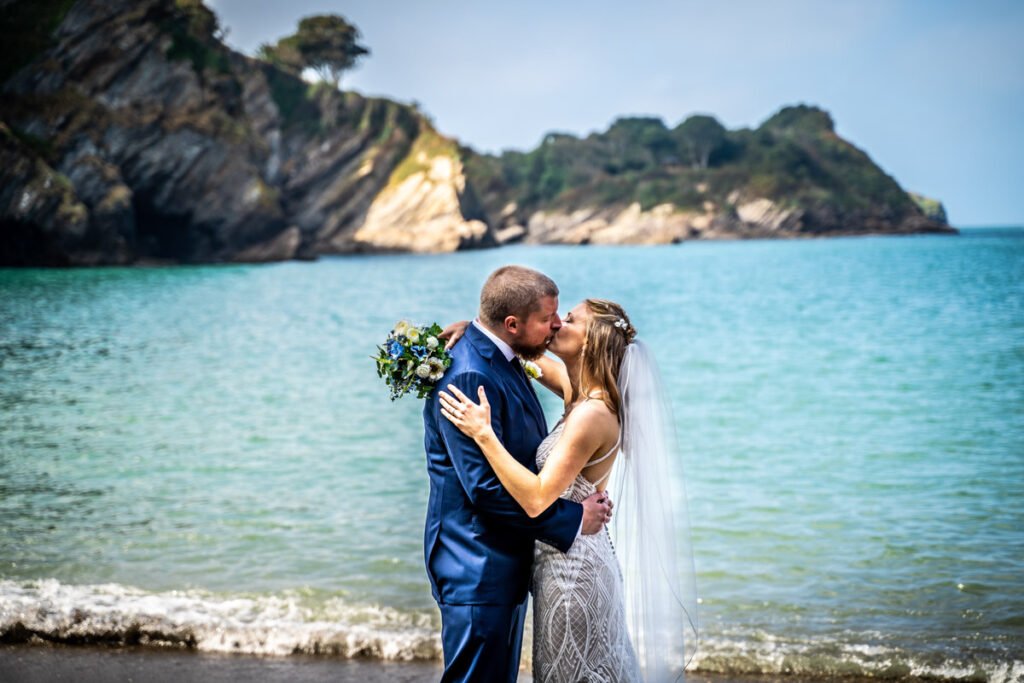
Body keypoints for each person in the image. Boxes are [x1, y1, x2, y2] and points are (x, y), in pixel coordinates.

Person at [439, 297, 698, 682]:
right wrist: (476, 332)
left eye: (571, 320)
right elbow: (526, 359)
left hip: (573, 571)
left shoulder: (593, 413)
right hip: (563, 556)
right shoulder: (576, 390)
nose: (557, 323)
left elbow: (536, 497)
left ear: (590, 342)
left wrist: (484, 434)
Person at [422, 265, 614, 683]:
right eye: (549, 318)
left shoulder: (512, 357)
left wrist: (475, 329)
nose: (556, 324)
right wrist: (573, 519)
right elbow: (485, 490)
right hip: (476, 564)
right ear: (512, 324)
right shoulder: (470, 374)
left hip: (508, 561)